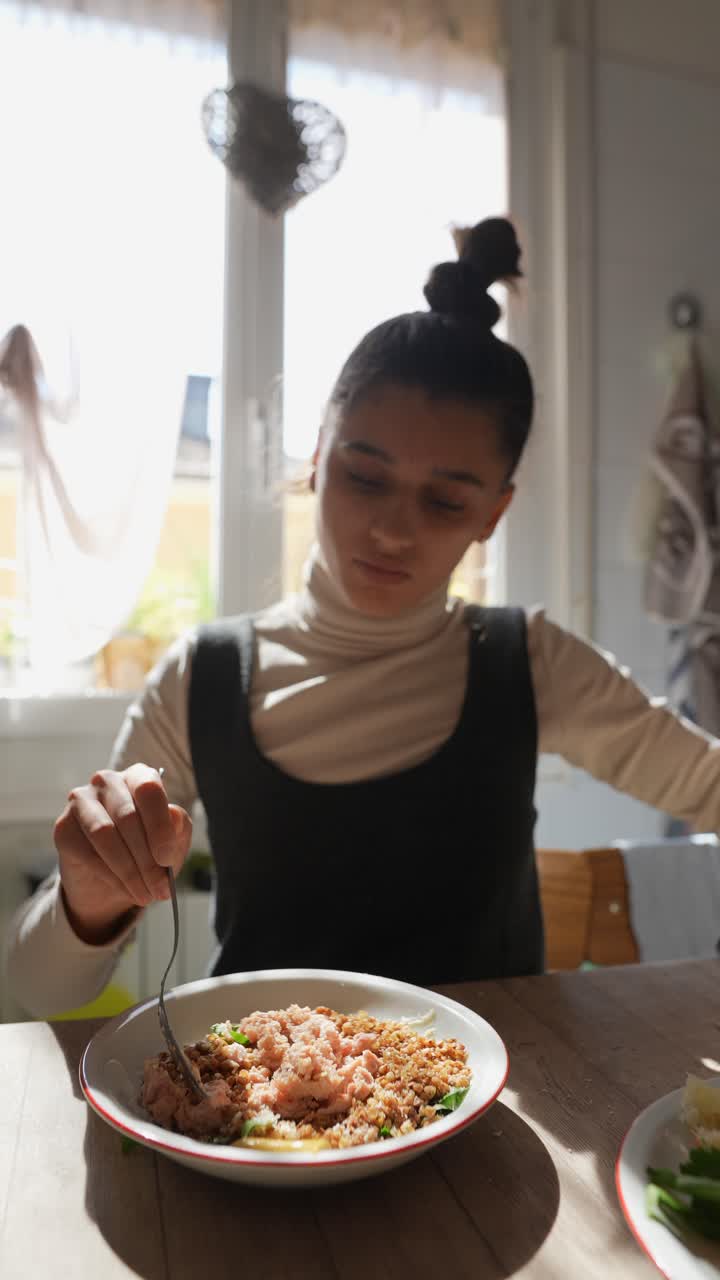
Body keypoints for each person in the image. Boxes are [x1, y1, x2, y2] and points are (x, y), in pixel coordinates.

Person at [7, 217, 720, 1017]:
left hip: (488, 1110)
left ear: (494, 513)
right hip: (267, 1128)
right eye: (364, 475)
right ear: (318, 457)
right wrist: (87, 903)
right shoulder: (200, 678)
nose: (391, 530)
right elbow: (25, 996)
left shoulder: (528, 662)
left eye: (447, 499)